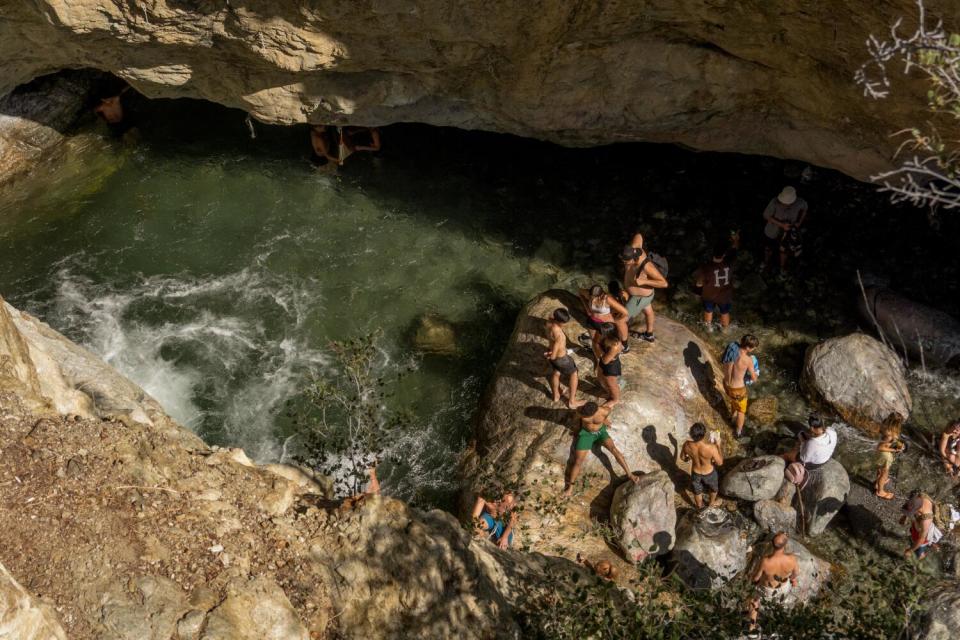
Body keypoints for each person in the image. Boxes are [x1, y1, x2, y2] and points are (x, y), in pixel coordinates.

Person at [563, 402, 640, 497]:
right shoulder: (581, 411)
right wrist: (576, 428)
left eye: (587, 415)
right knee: (578, 461)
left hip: (600, 432)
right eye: (585, 415)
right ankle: (570, 488)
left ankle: (630, 474)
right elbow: (576, 419)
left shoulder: (604, 410)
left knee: (614, 450)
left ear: (596, 411)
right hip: (586, 434)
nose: (585, 416)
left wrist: (604, 420)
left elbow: (608, 412)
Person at [746, 532, 799, 636]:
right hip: (783, 588)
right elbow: (796, 573)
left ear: (772, 544)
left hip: (767, 590)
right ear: (785, 546)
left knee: (754, 601)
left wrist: (752, 580)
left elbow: (757, 577)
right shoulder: (792, 558)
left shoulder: (766, 561)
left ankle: (752, 630)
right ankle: (774, 630)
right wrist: (792, 579)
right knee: (778, 604)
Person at [621, 234, 668, 343]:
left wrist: (644, 281)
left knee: (621, 319)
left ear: (634, 259)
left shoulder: (646, 266)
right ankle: (649, 334)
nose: (624, 263)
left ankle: (623, 345)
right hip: (644, 296)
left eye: (626, 261)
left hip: (639, 298)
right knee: (648, 311)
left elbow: (664, 283)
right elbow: (638, 235)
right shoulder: (635, 249)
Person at [762, 186, 808, 273]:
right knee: (768, 247)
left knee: (785, 250)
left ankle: (782, 267)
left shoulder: (800, 202)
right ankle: (766, 262)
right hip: (772, 230)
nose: (785, 203)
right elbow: (766, 215)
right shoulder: (775, 202)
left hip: (788, 233)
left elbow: (805, 209)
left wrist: (799, 223)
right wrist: (782, 225)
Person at [544, 307, 583, 408]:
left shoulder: (549, 322)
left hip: (551, 351)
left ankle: (556, 395)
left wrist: (550, 354)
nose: (565, 324)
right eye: (564, 322)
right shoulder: (559, 335)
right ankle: (572, 401)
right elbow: (555, 352)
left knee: (556, 373)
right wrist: (551, 356)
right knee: (574, 374)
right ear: (559, 321)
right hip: (561, 359)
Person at [722, 334, 759, 437]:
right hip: (738, 389)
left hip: (727, 384)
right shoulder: (748, 360)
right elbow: (754, 378)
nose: (754, 349)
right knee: (742, 411)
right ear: (748, 347)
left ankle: (731, 417)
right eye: (754, 347)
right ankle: (738, 431)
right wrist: (756, 373)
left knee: (734, 401)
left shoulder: (733, 349)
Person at [680, 422, 725, 509]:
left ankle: (699, 507)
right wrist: (718, 446)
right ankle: (711, 504)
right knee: (713, 489)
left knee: (697, 492)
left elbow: (682, 458)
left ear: (691, 434)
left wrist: (688, 458)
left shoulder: (687, 445)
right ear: (704, 434)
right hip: (709, 473)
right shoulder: (711, 448)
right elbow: (720, 463)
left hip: (695, 473)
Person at [695, 240, 736, 332]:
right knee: (724, 312)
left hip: (709, 295)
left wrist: (697, 294)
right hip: (724, 296)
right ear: (724, 255)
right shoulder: (729, 264)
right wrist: (736, 239)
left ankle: (708, 328)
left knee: (708, 310)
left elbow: (699, 283)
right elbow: (735, 249)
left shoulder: (705, 268)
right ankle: (725, 330)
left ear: (712, 253)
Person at [578, 284, 630, 352]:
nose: (593, 300)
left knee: (611, 341)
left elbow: (625, 312)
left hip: (606, 324)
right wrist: (587, 308)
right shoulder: (588, 294)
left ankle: (619, 350)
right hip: (593, 321)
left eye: (595, 297)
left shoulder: (607, 299)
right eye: (592, 297)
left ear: (601, 294)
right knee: (595, 342)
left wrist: (617, 319)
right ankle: (598, 356)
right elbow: (579, 292)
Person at [900, 490, 942, 560]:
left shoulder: (926, 520)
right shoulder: (921, 497)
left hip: (923, 539)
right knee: (914, 537)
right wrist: (905, 516)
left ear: (918, 510)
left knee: (919, 553)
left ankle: (923, 554)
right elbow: (910, 508)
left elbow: (921, 539)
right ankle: (932, 544)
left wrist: (910, 551)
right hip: (918, 528)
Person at [875, 413, 905, 499]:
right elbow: (880, 447)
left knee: (880, 470)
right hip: (885, 454)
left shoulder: (885, 426)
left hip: (880, 454)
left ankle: (877, 483)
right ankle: (880, 491)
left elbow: (882, 443)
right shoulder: (890, 434)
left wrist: (897, 443)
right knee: (884, 474)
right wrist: (895, 450)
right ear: (897, 423)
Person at [594, 323, 624, 407]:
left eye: (601, 332)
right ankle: (609, 393)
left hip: (611, 366)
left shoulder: (615, 346)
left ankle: (615, 399)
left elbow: (605, 360)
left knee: (612, 384)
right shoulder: (605, 338)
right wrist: (598, 346)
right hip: (604, 360)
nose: (599, 333)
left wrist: (598, 348)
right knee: (600, 377)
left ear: (609, 334)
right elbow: (596, 342)